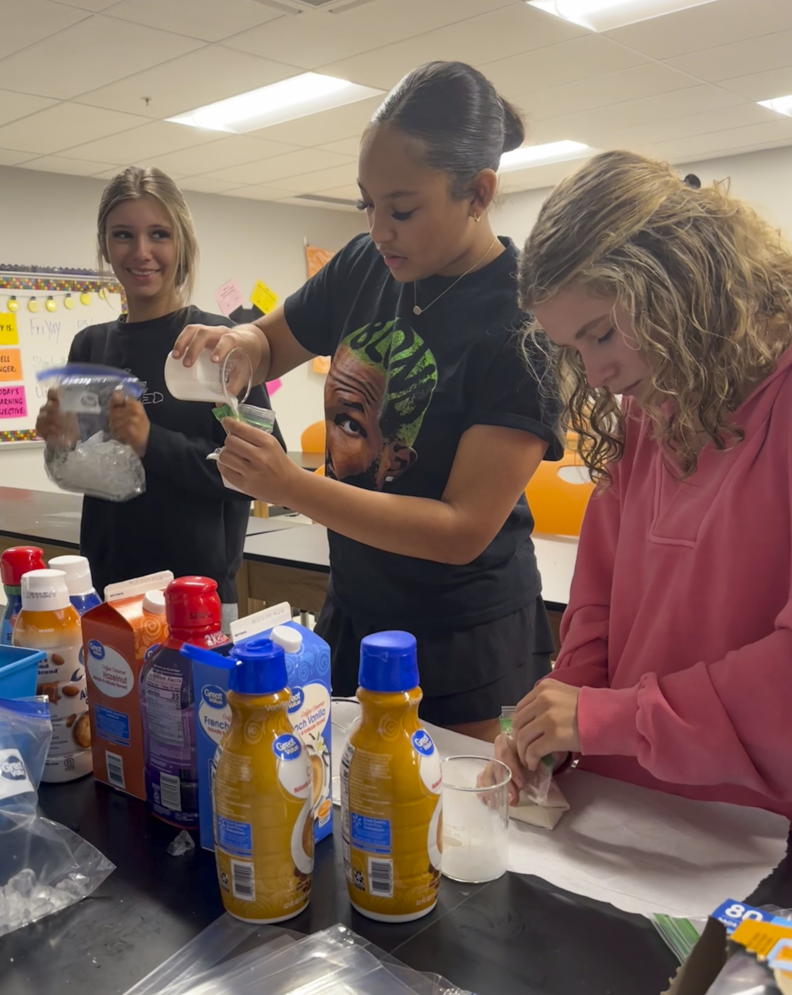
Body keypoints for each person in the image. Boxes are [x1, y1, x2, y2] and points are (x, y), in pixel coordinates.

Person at [173, 61, 564, 741]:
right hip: (356, 608)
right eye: (367, 205)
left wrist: (290, 485)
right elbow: (268, 342)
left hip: (462, 636)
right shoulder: (364, 265)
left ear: (478, 193)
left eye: (402, 210)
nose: (381, 229)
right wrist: (234, 346)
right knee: (346, 791)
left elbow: (462, 529)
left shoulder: (524, 319)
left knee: (448, 801)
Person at [498, 149, 792, 817]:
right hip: (624, 807)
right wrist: (556, 719)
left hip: (755, 829)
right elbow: (598, 607)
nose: (596, 375)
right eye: (574, 350)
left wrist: (610, 719)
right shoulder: (650, 400)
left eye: (602, 335)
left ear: (677, 280)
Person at [36, 167, 283, 632]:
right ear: (105, 245)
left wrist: (152, 441)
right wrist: (61, 443)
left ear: (182, 243)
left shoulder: (222, 343)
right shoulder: (90, 346)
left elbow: (265, 476)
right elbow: (89, 474)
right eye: (123, 235)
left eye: (159, 234)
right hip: (107, 590)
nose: (141, 252)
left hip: (196, 597)